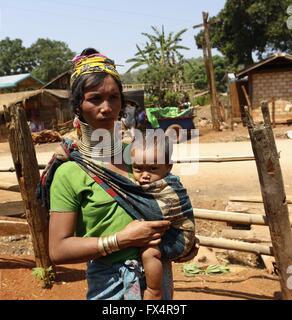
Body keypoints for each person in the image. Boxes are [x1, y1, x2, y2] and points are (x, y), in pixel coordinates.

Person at [42, 48, 199, 300]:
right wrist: (121, 240)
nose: (106, 108)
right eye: (95, 99)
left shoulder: (140, 156)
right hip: (111, 284)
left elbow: (169, 200)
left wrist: (182, 241)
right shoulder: (69, 172)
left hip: (158, 277)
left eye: (114, 98)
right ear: (78, 107)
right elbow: (59, 250)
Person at [130, 135, 195, 300]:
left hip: (179, 237)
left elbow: (159, 213)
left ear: (168, 167)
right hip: (172, 232)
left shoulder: (169, 187)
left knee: (149, 252)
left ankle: (154, 290)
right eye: (138, 168)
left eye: (153, 169)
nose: (145, 175)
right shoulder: (148, 183)